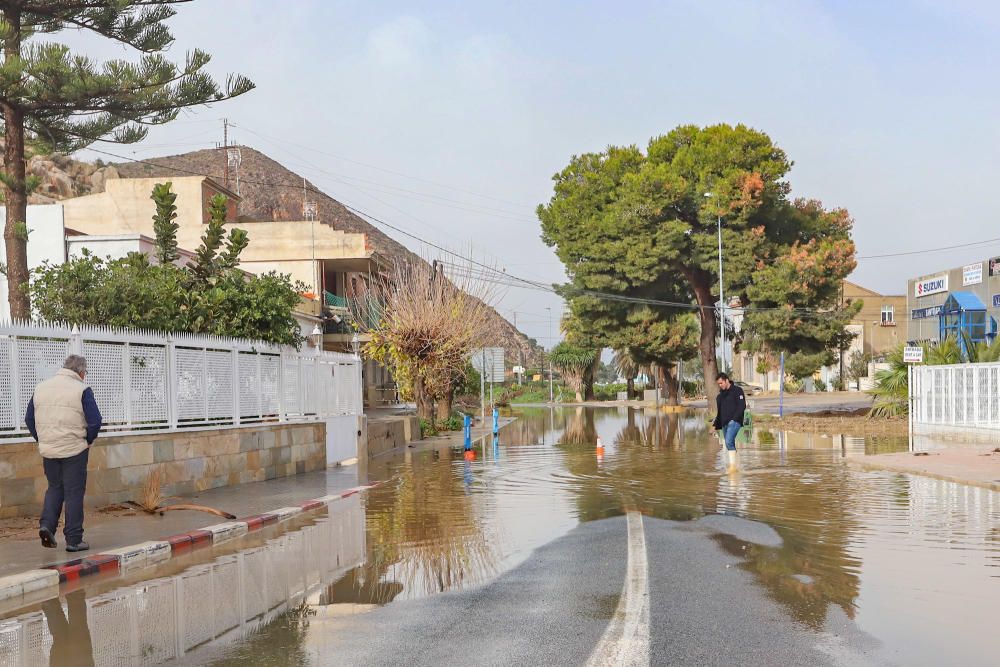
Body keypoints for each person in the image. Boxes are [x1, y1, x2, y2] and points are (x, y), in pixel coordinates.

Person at [24, 355, 102, 553]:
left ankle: (47, 526)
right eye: (85, 373)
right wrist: (88, 440)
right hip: (74, 449)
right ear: (81, 372)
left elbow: (29, 418)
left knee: (54, 488)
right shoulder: (82, 390)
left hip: (49, 449)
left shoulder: (41, 388)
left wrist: (42, 439)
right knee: (74, 492)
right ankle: (74, 540)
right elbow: (95, 420)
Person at [712, 372, 746, 453]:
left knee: (728, 442)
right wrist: (714, 425)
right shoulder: (719, 397)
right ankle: (735, 463)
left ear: (727, 380)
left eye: (721, 383)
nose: (720, 385)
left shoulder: (738, 390)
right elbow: (719, 412)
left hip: (735, 421)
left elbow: (742, 406)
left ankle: (732, 465)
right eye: (718, 384)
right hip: (724, 424)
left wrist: (734, 419)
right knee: (729, 444)